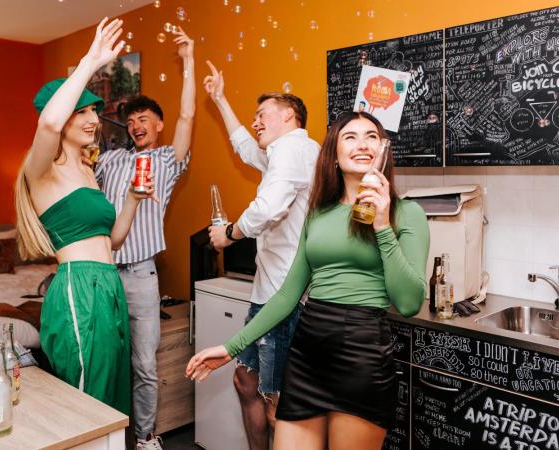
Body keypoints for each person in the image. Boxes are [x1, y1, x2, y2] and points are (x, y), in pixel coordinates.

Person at [187, 111, 430, 450]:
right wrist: (231, 348)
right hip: (307, 353)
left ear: (384, 150)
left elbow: (408, 302)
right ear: (333, 153)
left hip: (362, 356)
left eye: (371, 136)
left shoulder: (408, 213)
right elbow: (288, 294)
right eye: (350, 136)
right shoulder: (318, 214)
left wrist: (382, 225)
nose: (362, 144)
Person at [15, 18, 156, 416]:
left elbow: (111, 241)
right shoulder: (41, 170)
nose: (95, 119)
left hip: (109, 283)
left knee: (112, 402)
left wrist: (130, 198)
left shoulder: (86, 170)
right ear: (64, 119)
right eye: (84, 112)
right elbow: (48, 122)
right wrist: (91, 60)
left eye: (95, 110)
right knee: (84, 404)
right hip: (78, 288)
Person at [202, 60, 320, 450]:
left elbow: (268, 208)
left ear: (289, 116)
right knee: (246, 382)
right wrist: (219, 98)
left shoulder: (295, 149)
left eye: (262, 114)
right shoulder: (285, 152)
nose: (255, 122)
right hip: (266, 295)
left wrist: (229, 235)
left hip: (286, 299)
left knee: (276, 402)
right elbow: (245, 149)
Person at [93, 26, 195, 450]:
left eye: (144, 119)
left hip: (139, 276)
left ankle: (146, 436)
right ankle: (104, 436)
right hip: (99, 271)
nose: (136, 125)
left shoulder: (166, 160)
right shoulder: (110, 159)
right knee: (105, 361)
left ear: (159, 125)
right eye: (131, 120)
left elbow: (189, 117)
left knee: (144, 365)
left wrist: (188, 61)